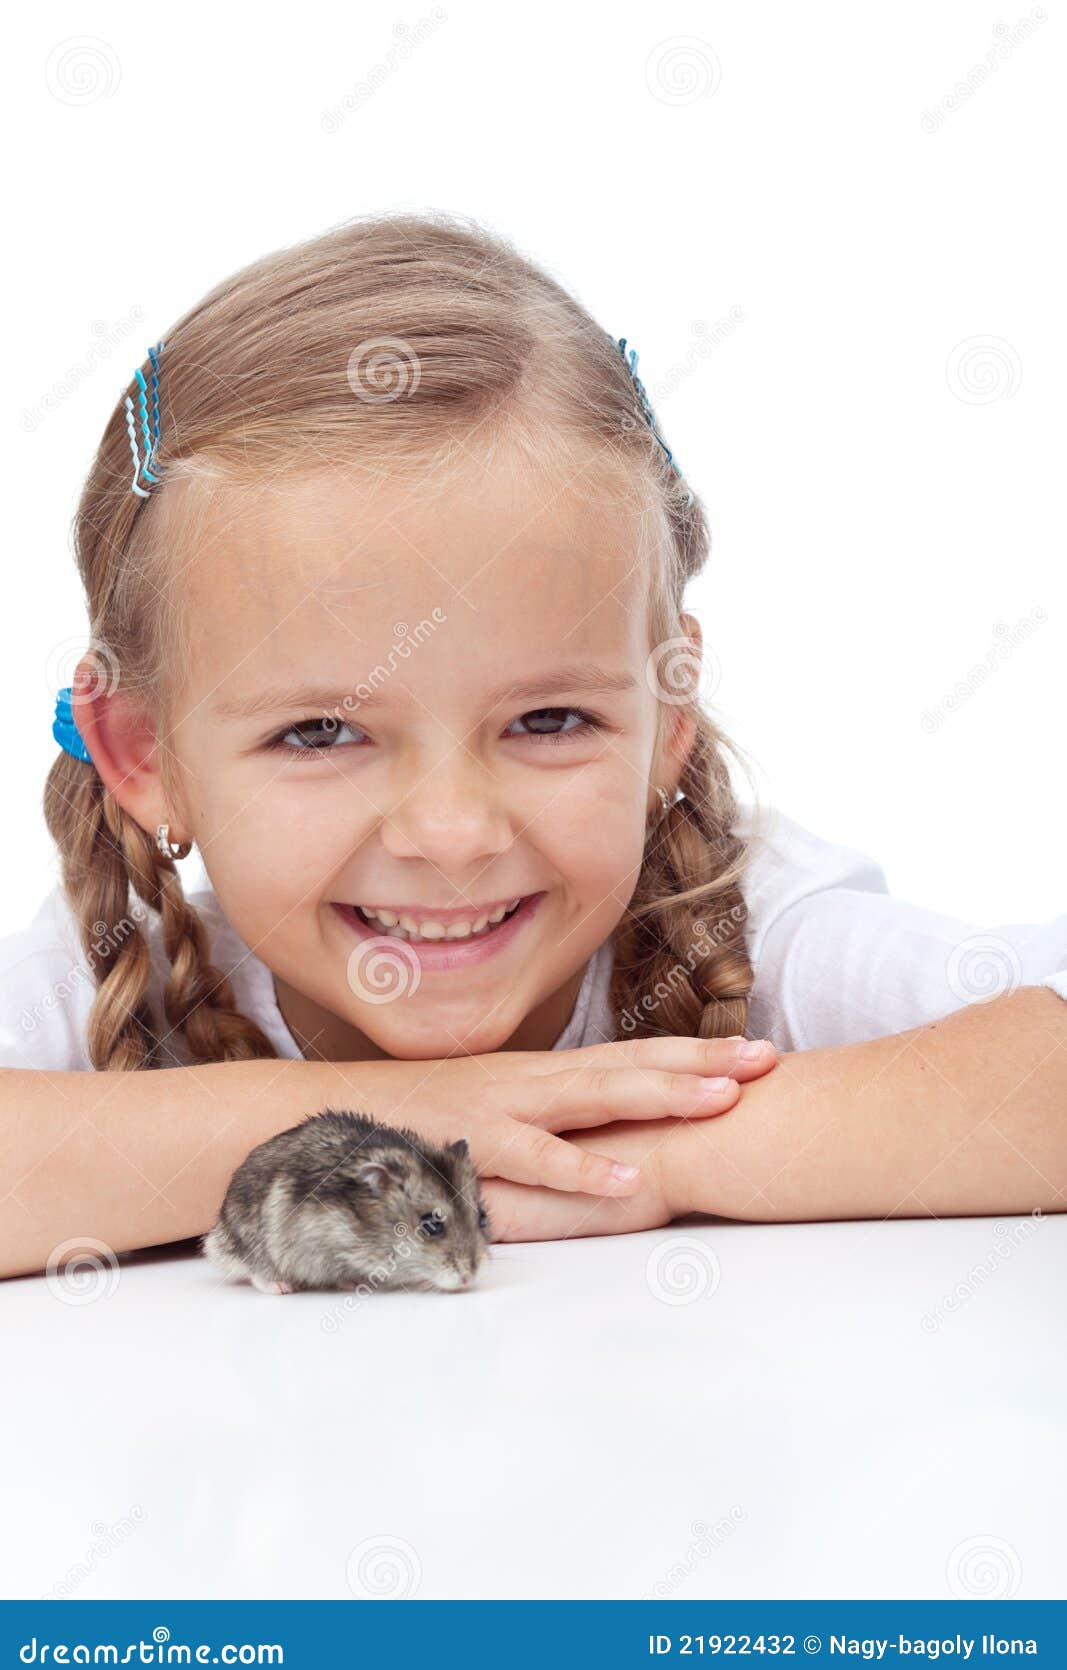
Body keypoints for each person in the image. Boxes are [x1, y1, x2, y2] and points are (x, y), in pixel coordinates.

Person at [2, 212, 1064, 1281]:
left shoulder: (751, 930)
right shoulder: (116, 969)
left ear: (669, 710)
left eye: (548, 720)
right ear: (144, 755)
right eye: (321, 731)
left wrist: (661, 1156)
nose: (452, 833)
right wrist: (400, 1112)